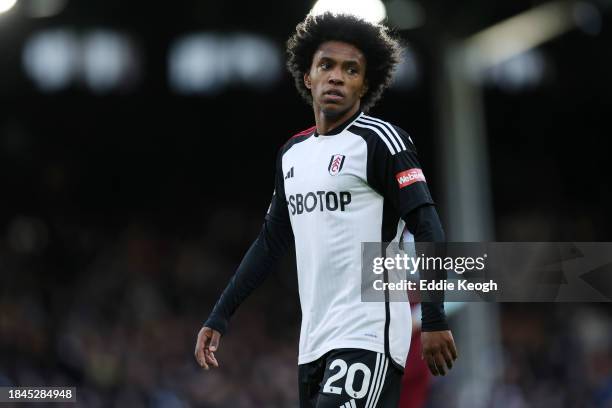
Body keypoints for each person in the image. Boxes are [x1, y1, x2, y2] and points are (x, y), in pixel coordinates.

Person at [194, 12, 458, 407]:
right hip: (314, 343)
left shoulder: (381, 142)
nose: (337, 77)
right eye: (326, 66)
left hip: (369, 334)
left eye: (351, 70)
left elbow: (427, 225)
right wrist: (220, 315)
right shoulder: (292, 154)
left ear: (364, 85)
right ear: (308, 77)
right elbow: (269, 243)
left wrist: (434, 318)